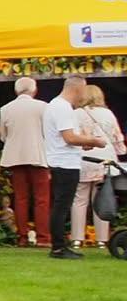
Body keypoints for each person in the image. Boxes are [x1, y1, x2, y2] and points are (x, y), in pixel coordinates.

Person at [44, 75, 107, 259]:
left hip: (61, 160)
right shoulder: (62, 108)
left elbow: (68, 138)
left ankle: (59, 246)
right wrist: (94, 141)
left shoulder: (55, 105)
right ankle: (58, 248)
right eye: (83, 90)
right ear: (77, 89)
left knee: (61, 205)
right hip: (65, 163)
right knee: (61, 206)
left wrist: (84, 143)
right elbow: (69, 137)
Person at [0, 77, 51, 246]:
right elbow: (49, 133)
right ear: (34, 90)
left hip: (15, 157)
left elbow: (3, 136)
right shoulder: (43, 107)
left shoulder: (5, 108)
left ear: (16, 91)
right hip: (38, 155)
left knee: (20, 198)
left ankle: (22, 237)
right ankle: (43, 238)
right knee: (41, 198)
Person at [78, 84, 124, 253]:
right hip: (105, 160)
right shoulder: (108, 114)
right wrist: (120, 152)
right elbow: (117, 137)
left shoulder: (76, 114)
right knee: (102, 199)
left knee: (79, 200)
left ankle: (77, 239)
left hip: (83, 159)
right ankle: (102, 239)